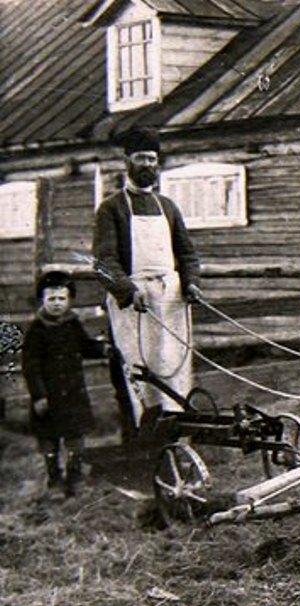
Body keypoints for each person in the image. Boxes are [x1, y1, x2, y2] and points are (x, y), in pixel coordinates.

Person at [92, 126, 203, 434]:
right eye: (141, 158)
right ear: (128, 162)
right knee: (139, 370)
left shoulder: (167, 207)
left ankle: (179, 435)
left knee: (174, 364)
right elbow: (103, 263)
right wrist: (127, 290)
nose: (147, 165)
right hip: (134, 304)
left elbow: (187, 254)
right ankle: (143, 438)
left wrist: (191, 283)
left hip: (171, 300)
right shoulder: (111, 208)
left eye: (152, 159)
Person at [22, 271, 111, 497]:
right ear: (42, 300)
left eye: (61, 299)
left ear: (69, 300)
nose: (56, 304)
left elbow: (84, 346)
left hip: (73, 395)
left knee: (75, 441)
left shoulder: (73, 324)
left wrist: (102, 349)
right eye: (51, 299)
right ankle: (54, 480)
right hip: (49, 397)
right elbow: (30, 367)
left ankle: (75, 478)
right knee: (49, 443)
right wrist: (39, 396)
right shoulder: (36, 330)